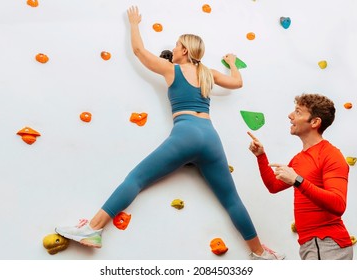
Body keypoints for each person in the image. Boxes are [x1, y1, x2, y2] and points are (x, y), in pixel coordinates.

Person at [55, 6, 284, 260]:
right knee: (231, 199)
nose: (173, 49)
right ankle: (260, 252)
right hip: (210, 137)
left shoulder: (172, 70)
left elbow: (139, 52)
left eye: (176, 45)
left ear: (184, 50)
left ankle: (93, 228)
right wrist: (231, 63)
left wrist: (133, 24)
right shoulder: (208, 73)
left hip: (185, 134)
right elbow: (237, 82)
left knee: (137, 179)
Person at [247, 93, 353, 260]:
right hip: (311, 245)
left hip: (327, 243)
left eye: (298, 112)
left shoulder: (331, 155)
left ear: (314, 122)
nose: (290, 116)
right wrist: (261, 156)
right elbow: (273, 187)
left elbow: (338, 204)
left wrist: (297, 180)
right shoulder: (299, 159)